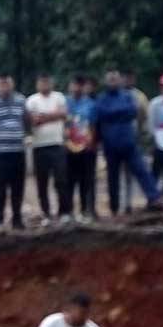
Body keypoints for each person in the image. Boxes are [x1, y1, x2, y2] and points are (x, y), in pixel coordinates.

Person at [96, 70, 163, 216]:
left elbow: (132, 111)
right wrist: (120, 113)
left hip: (128, 142)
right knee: (112, 178)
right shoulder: (101, 98)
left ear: (119, 80)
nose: (113, 81)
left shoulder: (127, 96)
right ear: (106, 81)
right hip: (110, 145)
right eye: (110, 79)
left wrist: (112, 115)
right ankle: (114, 208)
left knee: (142, 170)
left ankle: (155, 198)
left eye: (115, 78)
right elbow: (101, 114)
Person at [0, 74, 29, 229]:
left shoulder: (21, 100)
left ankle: (17, 219)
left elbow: (26, 120)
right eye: (2, 84)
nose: (5, 87)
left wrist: (24, 135)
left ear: (12, 84)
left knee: (18, 188)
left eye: (7, 83)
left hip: (18, 151)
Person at [25, 73, 70, 225]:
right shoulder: (32, 100)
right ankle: (46, 213)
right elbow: (33, 120)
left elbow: (63, 114)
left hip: (57, 144)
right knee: (42, 182)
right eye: (42, 82)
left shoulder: (59, 97)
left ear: (52, 83)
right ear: (37, 84)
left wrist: (43, 117)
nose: (45, 84)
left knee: (61, 180)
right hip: (39, 146)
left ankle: (64, 212)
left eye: (47, 81)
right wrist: (53, 115)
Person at [64, 75, 98, 221]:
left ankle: (85, 211)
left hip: (86, 148)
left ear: (84, 87)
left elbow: (93, 126)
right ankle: (68, 212)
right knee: (68, 180)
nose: (76, 88)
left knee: (85, 181)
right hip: (67, 148)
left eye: (79, 85)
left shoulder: (91, 104)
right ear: (70, 86)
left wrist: (92, 143)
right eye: (74, 85)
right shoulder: (64, 102)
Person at [120, 72, 152, 213]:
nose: (127, 80)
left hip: (136, 140)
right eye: (125, 77)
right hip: (120, 140)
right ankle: (125, 203)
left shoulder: (140, 97)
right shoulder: (117, 95)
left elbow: (146, 118)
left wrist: (145, 137)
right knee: (123, 174)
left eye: (130, 78)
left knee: (140, 171)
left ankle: (145, 200)